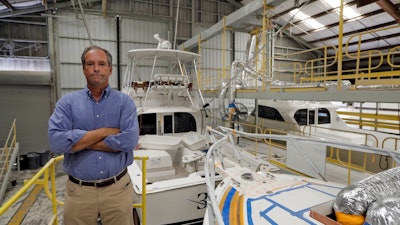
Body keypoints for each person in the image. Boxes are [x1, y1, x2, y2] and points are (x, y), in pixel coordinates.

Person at [48, 45, 139, 225]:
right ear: (83, 69)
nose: (96, 68)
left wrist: (77, 141)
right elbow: (56, 141)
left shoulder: (125, 103)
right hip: (79, 192)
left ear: (110, 69)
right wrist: (105, 132)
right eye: (90, 64)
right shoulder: (67, 103)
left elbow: (128, 141)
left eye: (101, 64)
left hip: (117, 190)